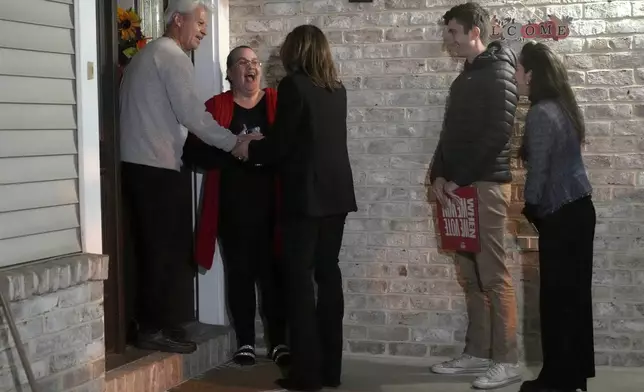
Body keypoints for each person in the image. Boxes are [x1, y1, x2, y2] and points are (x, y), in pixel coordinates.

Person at [119, 0, 257, 354]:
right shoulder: (171, 56)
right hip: (153, 166)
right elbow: (193, 115)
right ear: (177, 20)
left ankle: (159, 322)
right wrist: (234, 143)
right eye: (199, 22)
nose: (204, 30)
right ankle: (150, 329)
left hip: (144, 164)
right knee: (160, 248)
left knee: (159, 246)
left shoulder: (150, 54)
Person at [234, 25, 357, 392]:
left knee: (299, 284)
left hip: (305, 197)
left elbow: (282, 146)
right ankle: (330, 371)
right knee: (328, 275)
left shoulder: (294, 86)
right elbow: (309, 139)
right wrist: (267, 141)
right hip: (336, 195)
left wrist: (249, 148)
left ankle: (305, 376)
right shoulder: (337, 89)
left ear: (296, 51)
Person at [428, 3, 521, 389]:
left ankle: (507, 359)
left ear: (474, 32)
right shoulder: (465, 77)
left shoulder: (499, 71)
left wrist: (458, 178)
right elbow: (450, 132)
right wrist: (437, 174)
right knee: (469, 275)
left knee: (494, 276)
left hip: (485, 186)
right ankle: (477, 353)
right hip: (459, 186)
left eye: (453, 31)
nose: (449, 38)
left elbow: (498, 133)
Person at [182, 46, 290, 367]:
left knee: (274, 276)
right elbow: (192, 154)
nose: (250, 67)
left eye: (254, 62)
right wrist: (233, 150)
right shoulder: (216, 108)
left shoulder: (276, 103)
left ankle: (279, 342)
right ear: (229, 73)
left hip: (274, 206)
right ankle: (244, 341)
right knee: (240, 275)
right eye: (242, 63)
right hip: (233, 207)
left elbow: (291, 147)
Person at [516, 42, 596, 392]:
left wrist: (529, 207)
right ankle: (574, 375)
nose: (516, 76)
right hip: (580, 210)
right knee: (575, 298)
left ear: (531, 74)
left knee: (555, 299)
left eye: (519, 70)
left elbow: (539, 172)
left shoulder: (540, 112)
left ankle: (554, 381)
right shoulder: (564, 107)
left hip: (561, 216)